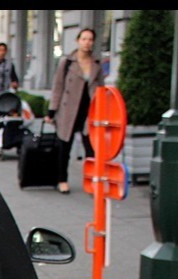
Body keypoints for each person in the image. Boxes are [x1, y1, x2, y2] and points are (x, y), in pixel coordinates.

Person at [46, 27, 105, 194]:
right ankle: (62, 180)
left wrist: (103, 108)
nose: (87, 42)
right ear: (78, 41)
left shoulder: (96, 64)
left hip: (89, 110)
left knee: (90, 149)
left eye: (90, 39)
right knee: (65, 146)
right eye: (84, 39)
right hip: (68, 109)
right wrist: (52, 110)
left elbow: (101, 88)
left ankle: (91, 180)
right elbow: (58, 86)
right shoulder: (67, 62)